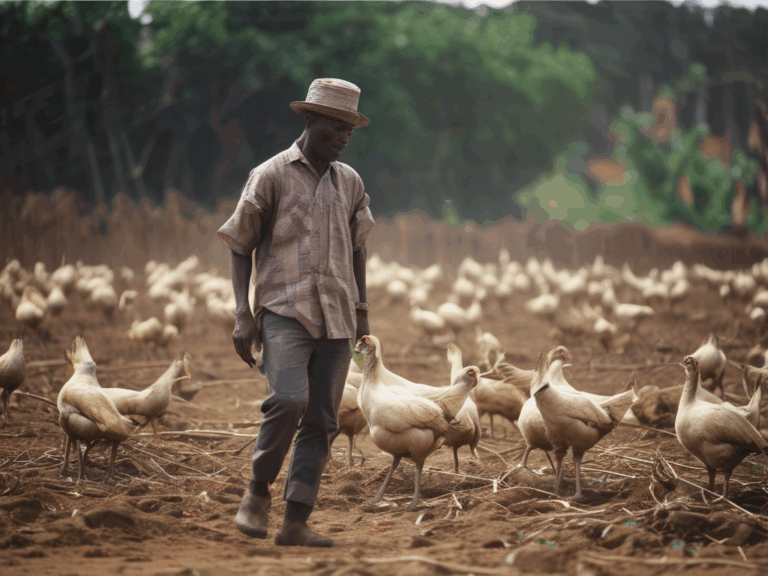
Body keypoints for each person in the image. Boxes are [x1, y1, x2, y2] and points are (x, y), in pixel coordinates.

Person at [216, 78, 374, 547]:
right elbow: (239, 244)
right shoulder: (271, 175)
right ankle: (258, 489)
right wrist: (243, 315)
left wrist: (363, 312)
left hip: (339, 317)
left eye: (350, 129)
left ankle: (296, 520)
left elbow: (359, 248)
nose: (343, 137)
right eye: (335, 126)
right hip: (284, 310)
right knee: (288, 400)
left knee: (323, 420)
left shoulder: (351, 181)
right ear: (310, 120)